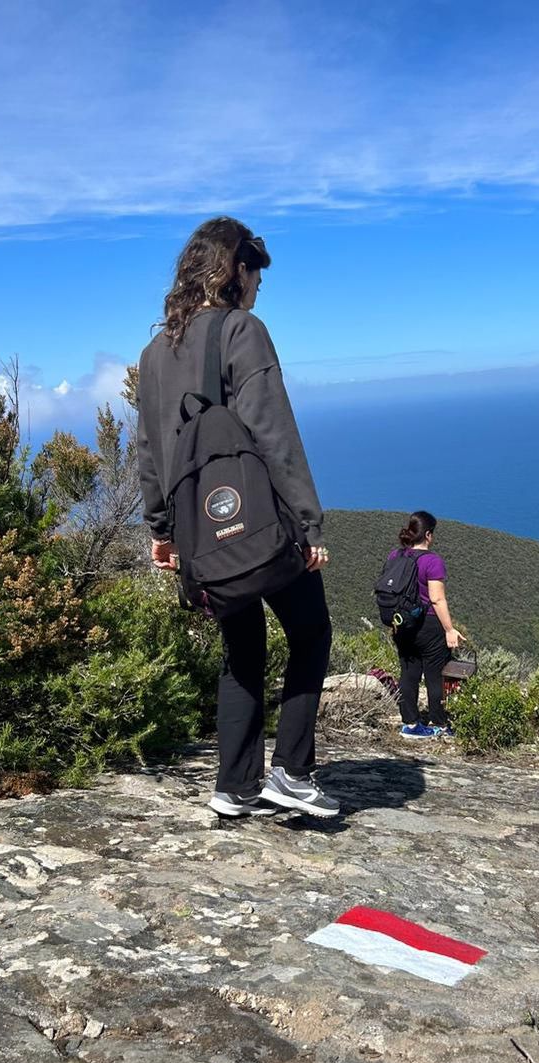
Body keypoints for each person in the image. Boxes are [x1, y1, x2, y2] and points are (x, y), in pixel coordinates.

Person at [136, 216, 338, 820]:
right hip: (258, 526)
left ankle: (235, 785)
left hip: (199, 535)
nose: (258, 289)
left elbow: (149, 450)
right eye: (255, 277)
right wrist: (308, 523)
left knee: (242, 648)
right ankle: (292, 773)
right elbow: (273, 432)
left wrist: (162, 531)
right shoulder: (241, 330)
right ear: (236, 271)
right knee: (311, 632)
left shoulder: (154, 354)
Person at [389, 511, 465, 739]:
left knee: (408, 672)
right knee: (435, 675)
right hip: (429, 624)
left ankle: (410, 724)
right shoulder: (432, 561)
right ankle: (439, 724)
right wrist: (449, 629)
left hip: (402, 623)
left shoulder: (396, 555)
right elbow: (437, 599)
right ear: (429, 535)